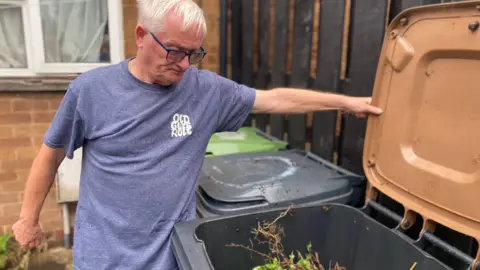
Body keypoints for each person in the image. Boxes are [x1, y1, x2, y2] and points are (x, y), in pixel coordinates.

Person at [11, 0, 382, 269]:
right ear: (141, 36)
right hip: (103, 257)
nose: (184, 64)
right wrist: (28, 218)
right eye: (174, 51)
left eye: (194, 53)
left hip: (171, 255)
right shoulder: (92, 90)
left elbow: (275, 99)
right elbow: (51, 154)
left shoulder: (206, 91)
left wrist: (346, 103)